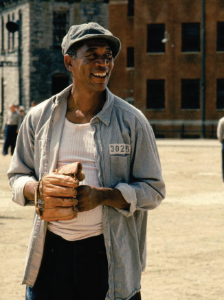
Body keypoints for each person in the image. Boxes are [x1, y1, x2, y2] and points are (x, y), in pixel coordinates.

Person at [7, 22, 165, 300]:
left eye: (108, 56)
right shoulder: (39, 118)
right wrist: (39, 190)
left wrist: (102, 196)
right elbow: (17, 177)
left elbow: (153, 191)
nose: (103, 62)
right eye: (92, 55)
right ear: (69, 62)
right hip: (50, 254)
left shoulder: (132, 121)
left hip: (106, 256)